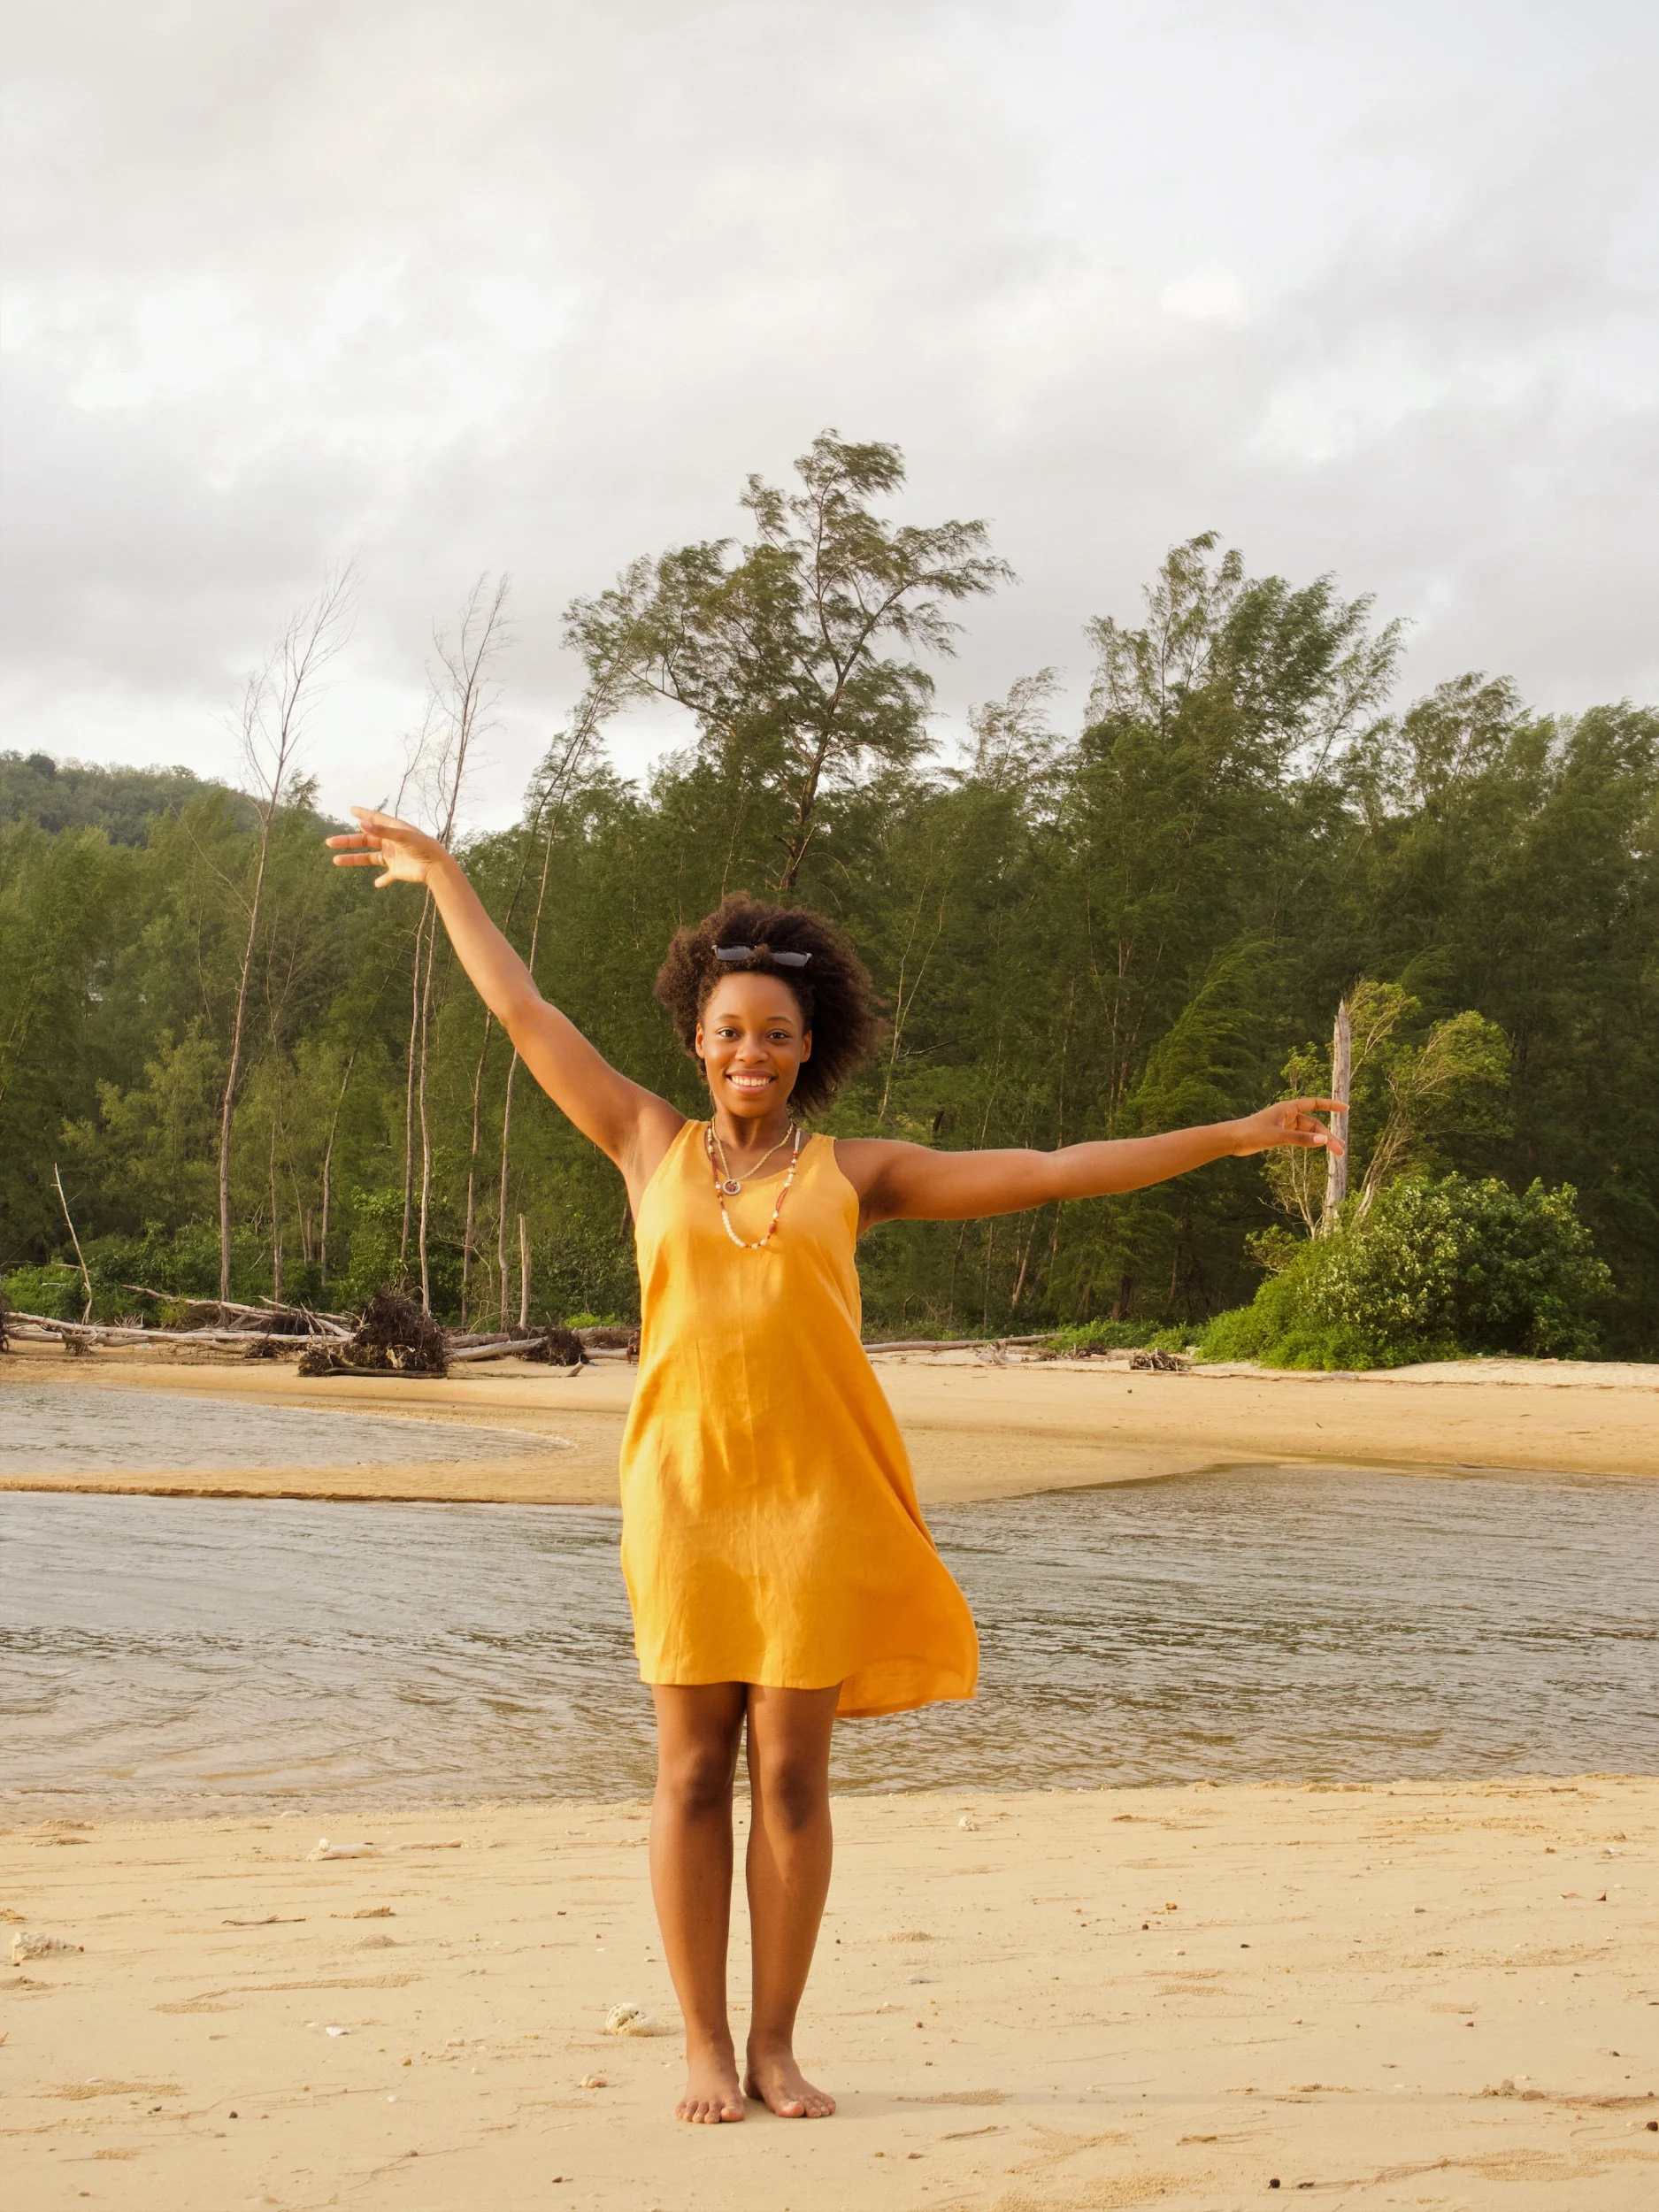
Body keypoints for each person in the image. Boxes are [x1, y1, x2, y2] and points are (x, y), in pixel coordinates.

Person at [327, 805, 1344, 2126]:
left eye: (776, 1035)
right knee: (691, 1771)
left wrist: (1230, 1134)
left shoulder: (858, 1174)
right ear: (698, 1042)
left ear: (810, 1053)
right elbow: (524, 1014)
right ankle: (700, 2044)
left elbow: (1046, 1171)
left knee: (792, 1775)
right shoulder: (646, 1145)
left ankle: (776, 2046)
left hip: (814, 1497)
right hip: (684, 1495)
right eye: (730, 1031)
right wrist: (446, 879)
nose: (751, 1051)